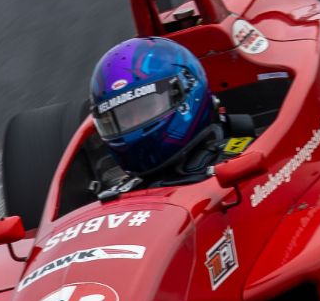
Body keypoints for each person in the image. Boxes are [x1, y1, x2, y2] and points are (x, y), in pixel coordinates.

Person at [88, 37, 250, 197]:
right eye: (124, 118)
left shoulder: (246, 156)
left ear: (187, 90)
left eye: (146, 107)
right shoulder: (119, 195)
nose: (135, 124)